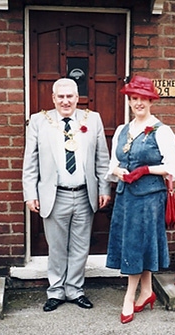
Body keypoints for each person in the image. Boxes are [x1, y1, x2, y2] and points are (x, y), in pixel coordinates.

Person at [22, 78, 111, 312]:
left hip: (84, 194)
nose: (65, 101)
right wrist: (30, 193)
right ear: (53, 98)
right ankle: (56, 291)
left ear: (77, 97)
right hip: (54, 194)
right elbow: (30, 162)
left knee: (81, 246)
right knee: (57, 247)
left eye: (69, 96)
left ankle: (75, 289)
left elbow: (102, 159)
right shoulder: (39, 121)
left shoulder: (92, 119)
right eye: (60, 96)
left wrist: (104, 188)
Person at [105, 75, 175, 324]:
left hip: (149, 197)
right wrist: (119, 172)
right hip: (126, 195)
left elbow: (174, 168)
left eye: (143, 99)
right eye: (134, 98)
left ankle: (129, 297)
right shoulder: (122, 130)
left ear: (151, 100)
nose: (138, 103)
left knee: (136, 245)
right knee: (139, 244)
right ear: (129, 101)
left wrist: (145, 170)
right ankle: (147, 291)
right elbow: (113, 164)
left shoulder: (162, 131)